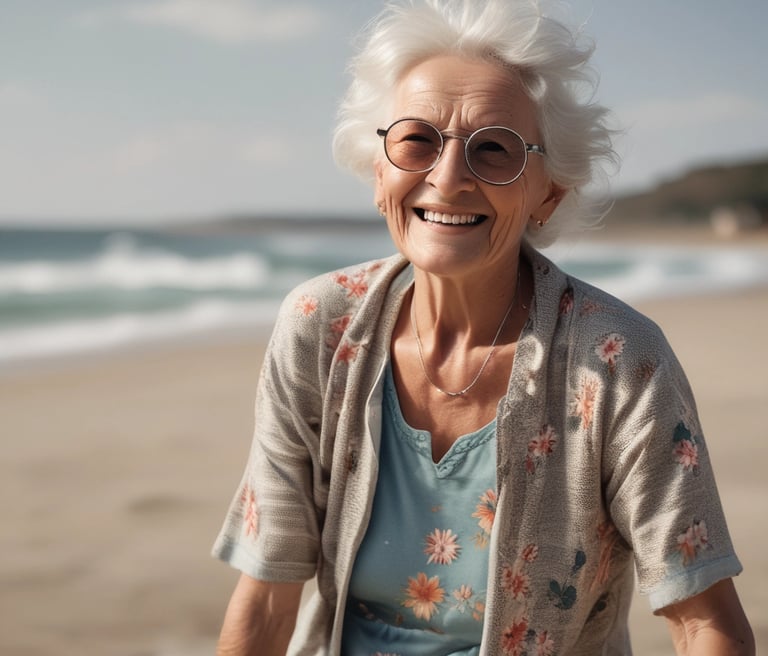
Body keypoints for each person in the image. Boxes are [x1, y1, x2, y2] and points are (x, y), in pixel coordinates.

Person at [212, 1, 754, 654]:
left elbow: (704, 621)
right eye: (416, 140)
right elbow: (267, 600)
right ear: (379, 164)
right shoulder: (320, 328)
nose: (447, 178)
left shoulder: (618, 361)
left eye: (492, 149)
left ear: (547, 192)